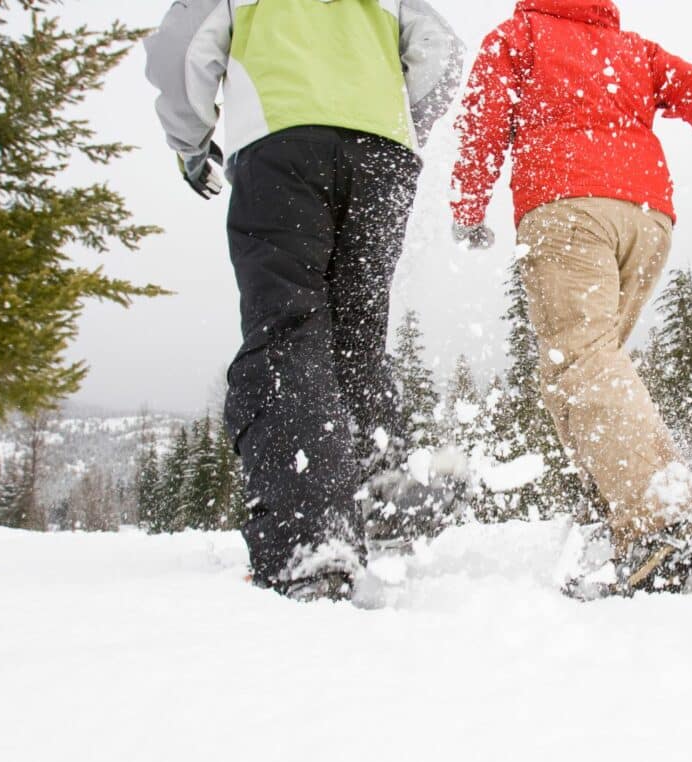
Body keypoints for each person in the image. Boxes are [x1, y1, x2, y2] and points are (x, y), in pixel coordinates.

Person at [451, 0, 692, 596]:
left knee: (581, 362)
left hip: (567, 206)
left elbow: (482, 118)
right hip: (647, 219)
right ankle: (615, 517)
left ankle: (663, 517)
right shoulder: (633, 51)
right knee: (582, 369)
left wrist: (467, 207)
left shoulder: (521, 35)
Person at [144, 0, 464, 602]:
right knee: (358, 337)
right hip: (385, 156)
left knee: (290, 333)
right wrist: (393, 119)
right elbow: (441, 53)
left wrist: (192, 144)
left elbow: (181, 52)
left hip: (283, 145)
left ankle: (313, 543)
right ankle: (382, 495)